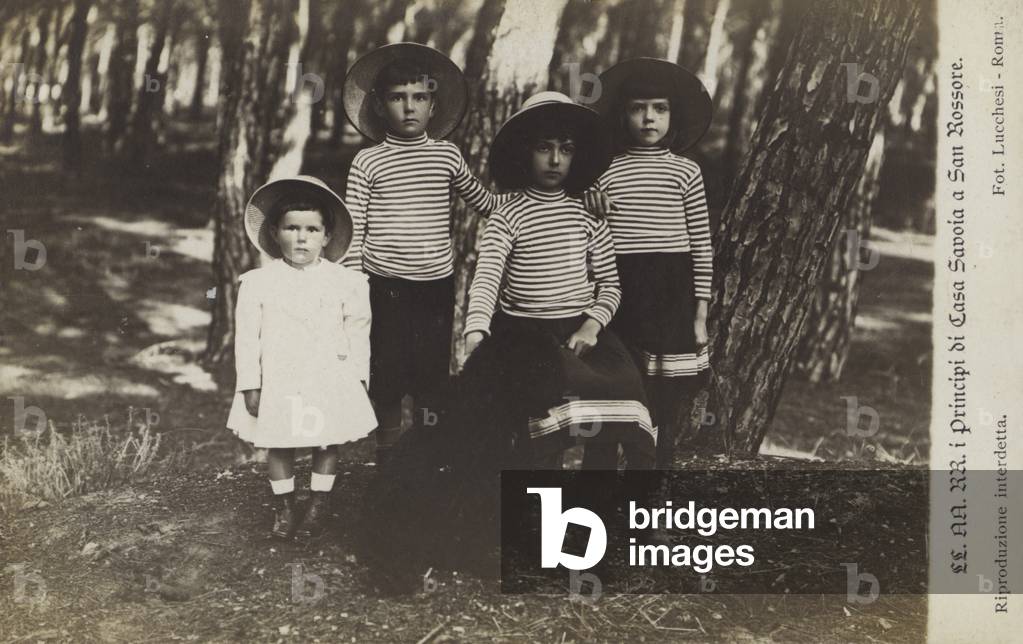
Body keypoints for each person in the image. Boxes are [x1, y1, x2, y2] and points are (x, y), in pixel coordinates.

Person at [463, 91, 655, 469]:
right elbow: (486, 278)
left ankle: (600, 492)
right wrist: (476, 331)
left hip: (579, 330)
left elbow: (610, 285)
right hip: (526, 335)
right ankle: (540, 495)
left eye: (565, 149)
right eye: (544, 147)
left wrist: (591, 326)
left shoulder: (588, 214)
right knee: (543, 410)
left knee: (624, 391)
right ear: (524, 151)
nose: (555, 160)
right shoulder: (507, 215)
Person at [340, 43, 509, 466]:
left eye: (419, 97)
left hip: (435, 286)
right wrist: (354, 287)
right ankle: (388, 460)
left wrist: (546, 197)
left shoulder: (447, 155)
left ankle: (426, 462)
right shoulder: (367, 162)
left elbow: (488, 203)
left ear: (433, 106)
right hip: (384, 286)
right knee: (387, 376)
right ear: (380, 106)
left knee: (431, 377)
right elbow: (353, 229)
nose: (409, 107)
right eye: (398, 98)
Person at [226, 175, 377, 539]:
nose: (301, 238)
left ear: (326, 236)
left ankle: (318, 504)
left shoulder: (348, 282)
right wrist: (250, 384)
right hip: (279, 375)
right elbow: (247, 338)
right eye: (291, 228)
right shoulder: (258, 283)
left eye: (312, 229)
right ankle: (284, 506)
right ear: (275, 232)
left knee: (326, 438)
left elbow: (358, 332)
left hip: (328, 375)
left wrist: (359, 378)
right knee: (280, 440)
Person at [584, 58, 714, 468]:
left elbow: (701, 246)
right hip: (621, 292)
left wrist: (700, 315)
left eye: (660, 108)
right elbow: (586, 236)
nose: (648, 118)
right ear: (623, 115)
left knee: (662, 400)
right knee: (614, 388)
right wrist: (590, 201)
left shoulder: (686, 171)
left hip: (670, 294)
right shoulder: (603, 172)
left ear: (673, 115)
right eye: (637, 108)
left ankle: (654, 482)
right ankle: (598, 481)